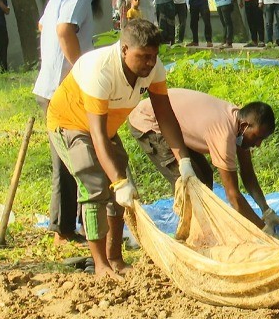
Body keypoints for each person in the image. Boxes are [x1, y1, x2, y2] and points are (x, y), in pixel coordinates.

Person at [47, 19, 197, 279]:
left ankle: (114, 257)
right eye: (144, 56)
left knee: (124, 190)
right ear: (124, 49)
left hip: (105, 129)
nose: (150, 63)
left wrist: (183, 159)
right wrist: (116, 181)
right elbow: (95, 134)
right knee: (96, 187)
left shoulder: (153, 69)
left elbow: (165, 115)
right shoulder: (100, 69)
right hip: (70, 123)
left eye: (154, 56)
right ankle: (100, 265)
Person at [33, 0, 116, 246]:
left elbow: (43, 26)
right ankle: (64, 229)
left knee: (69, 159)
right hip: (63, 89)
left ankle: (68, 224)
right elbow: (63, 29)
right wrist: (81, 70)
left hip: (50, 84)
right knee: (73, 160)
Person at [127, 88, 279, 236]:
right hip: (150, 121)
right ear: (245, 126)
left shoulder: (240, 126)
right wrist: (263, 230)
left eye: (262, 139)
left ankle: (201, 228)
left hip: (175, 123)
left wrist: (266, 211)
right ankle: (189, 236)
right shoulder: (224, 134)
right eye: (257, 137)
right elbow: (233, 196)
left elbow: (248, 174)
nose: (258, 144)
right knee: (190, 184)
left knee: (204, 177)